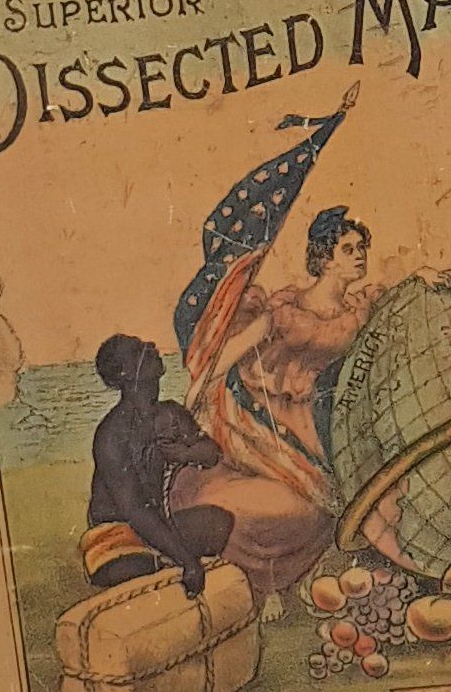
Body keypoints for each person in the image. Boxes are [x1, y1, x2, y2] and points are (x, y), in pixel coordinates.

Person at [172, 204, 380, 603]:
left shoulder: (358, 309)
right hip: (259, 415)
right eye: (349, 249)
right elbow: (232, 352)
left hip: (310, 419)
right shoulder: (288, 309)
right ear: (325, 259)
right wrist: (195, 395)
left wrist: (424, 275)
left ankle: (287, 577)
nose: (360, 256)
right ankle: (263, 581)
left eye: (361, 248)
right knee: (294, 503)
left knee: (321, 507)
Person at [81, 333, 233, 593]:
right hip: (118, 537)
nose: (150, 346)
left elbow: (212, 453)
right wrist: (188, 562)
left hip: (158, 525)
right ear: (125, 373)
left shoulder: (171, 414)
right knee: (127, 564)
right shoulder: (111, 434)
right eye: (137, 349)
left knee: (218, 522)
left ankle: (167, 564)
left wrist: (184, 453)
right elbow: (135, 510)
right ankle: (170, 566)